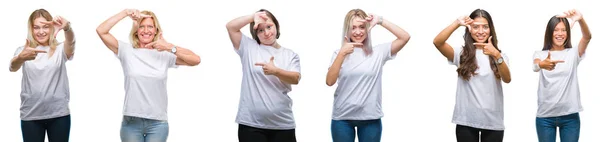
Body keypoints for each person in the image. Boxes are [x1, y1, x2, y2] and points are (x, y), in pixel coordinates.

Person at [96, 9, 200, 142]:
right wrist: (125, 13)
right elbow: (101, 30)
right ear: (136, 30)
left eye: (150, 26)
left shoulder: (164, 54)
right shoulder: (127, 51)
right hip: (131, 122)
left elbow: (196, 60)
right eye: (141, 26)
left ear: (156, 30)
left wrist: (169, 47)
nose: (146, 30)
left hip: (158, 123)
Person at [325, 9, 410, 142]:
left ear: (368, 28)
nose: (357, 32)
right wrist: (342, 54)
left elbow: (405, 37)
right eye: (353, 28)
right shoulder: (338, 53)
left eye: (361, 27)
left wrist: (380, 20)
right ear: (347, 30)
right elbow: (329, 81)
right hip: (342, 118)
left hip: (370, 118)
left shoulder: (378, 52)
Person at [432, 9, 511, 142]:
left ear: (491, 29)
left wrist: (496, 55)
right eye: (475, 27)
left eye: (485, 27)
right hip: (466, 121)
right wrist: (457, 23)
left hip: (493, 122)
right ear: (469, 29)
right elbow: (437, 42)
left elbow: (507, 79)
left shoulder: (500, 56)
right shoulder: (461, 54)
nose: (480, 31)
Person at [226, 9, 301, 142]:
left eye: (269, 26)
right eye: (260, 30)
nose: (266, 33)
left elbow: (295, 78)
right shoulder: (249, 47)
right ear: (255, 33)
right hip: (251, 125)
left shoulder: (290, 55)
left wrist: (276, 71)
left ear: (276, 26)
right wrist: (252, 17)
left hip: (282, 124)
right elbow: (231, 27)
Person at [9, 8, 75, 142]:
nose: (41, 31)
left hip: (59, 115)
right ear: (31, 29)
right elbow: (12, 67)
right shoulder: (23, 51)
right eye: (36, 27)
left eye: (45, 27)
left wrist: (67, 28)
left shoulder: (60, 49)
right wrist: (21, 58)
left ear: (51, 28)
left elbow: (71, 43)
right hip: (31, 116)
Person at [533, 9, 591, 142]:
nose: (560, 33)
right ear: (550, 32)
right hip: (545, 118)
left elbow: (587, 37)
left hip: (570, 117)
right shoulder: (540, 54)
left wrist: (580, 19)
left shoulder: (573, 53)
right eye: (556, 30)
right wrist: (542, 64)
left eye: (563, 30)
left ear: (568, 32)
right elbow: (535, 66)